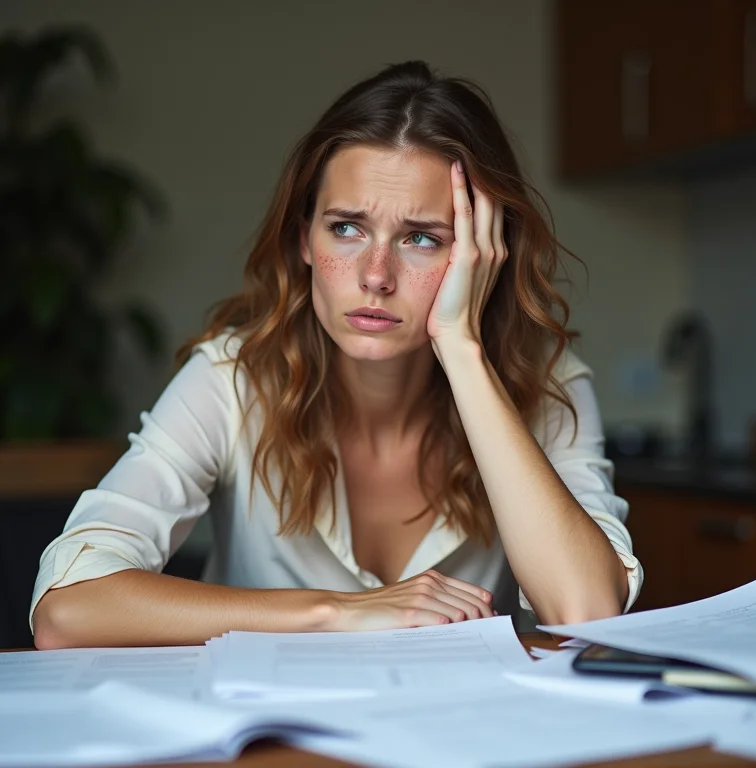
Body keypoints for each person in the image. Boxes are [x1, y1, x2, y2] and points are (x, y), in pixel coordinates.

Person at [31, 61, 642, 649]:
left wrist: (461, 348)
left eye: (422, 238)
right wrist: (338, 611)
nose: (376, 276)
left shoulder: (547, 383)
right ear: (303, 236)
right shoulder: (232, 378)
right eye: (346, 228)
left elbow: (584, 612)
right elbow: (67, 608)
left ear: (483, 255)